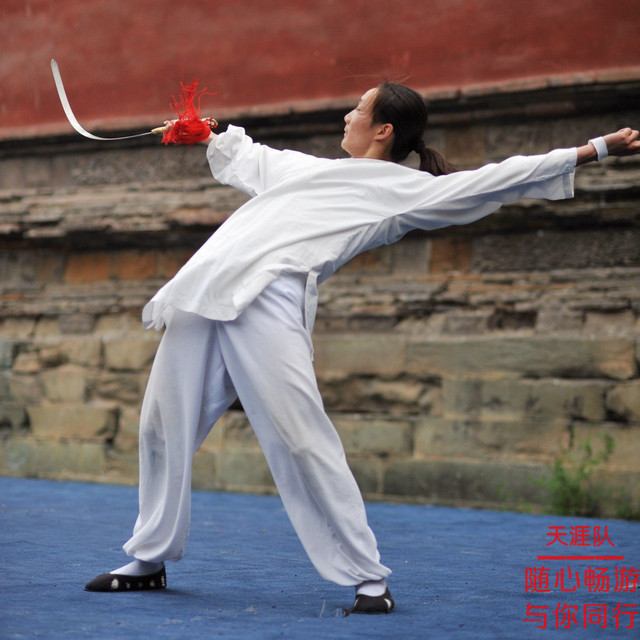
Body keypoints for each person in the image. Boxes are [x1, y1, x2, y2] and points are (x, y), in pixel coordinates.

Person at [85, 82, 640, 614]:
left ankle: (367, 575)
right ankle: (149, 557)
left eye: (358, 108)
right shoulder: (310, 170)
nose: (347, 116)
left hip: (270, 296)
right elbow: (251, 157)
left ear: (383, 130)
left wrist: (593, 149)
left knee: (300, 435)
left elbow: (493, 180)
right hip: (205, 290)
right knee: (161, 423)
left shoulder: (400, 191)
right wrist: (207, 133)